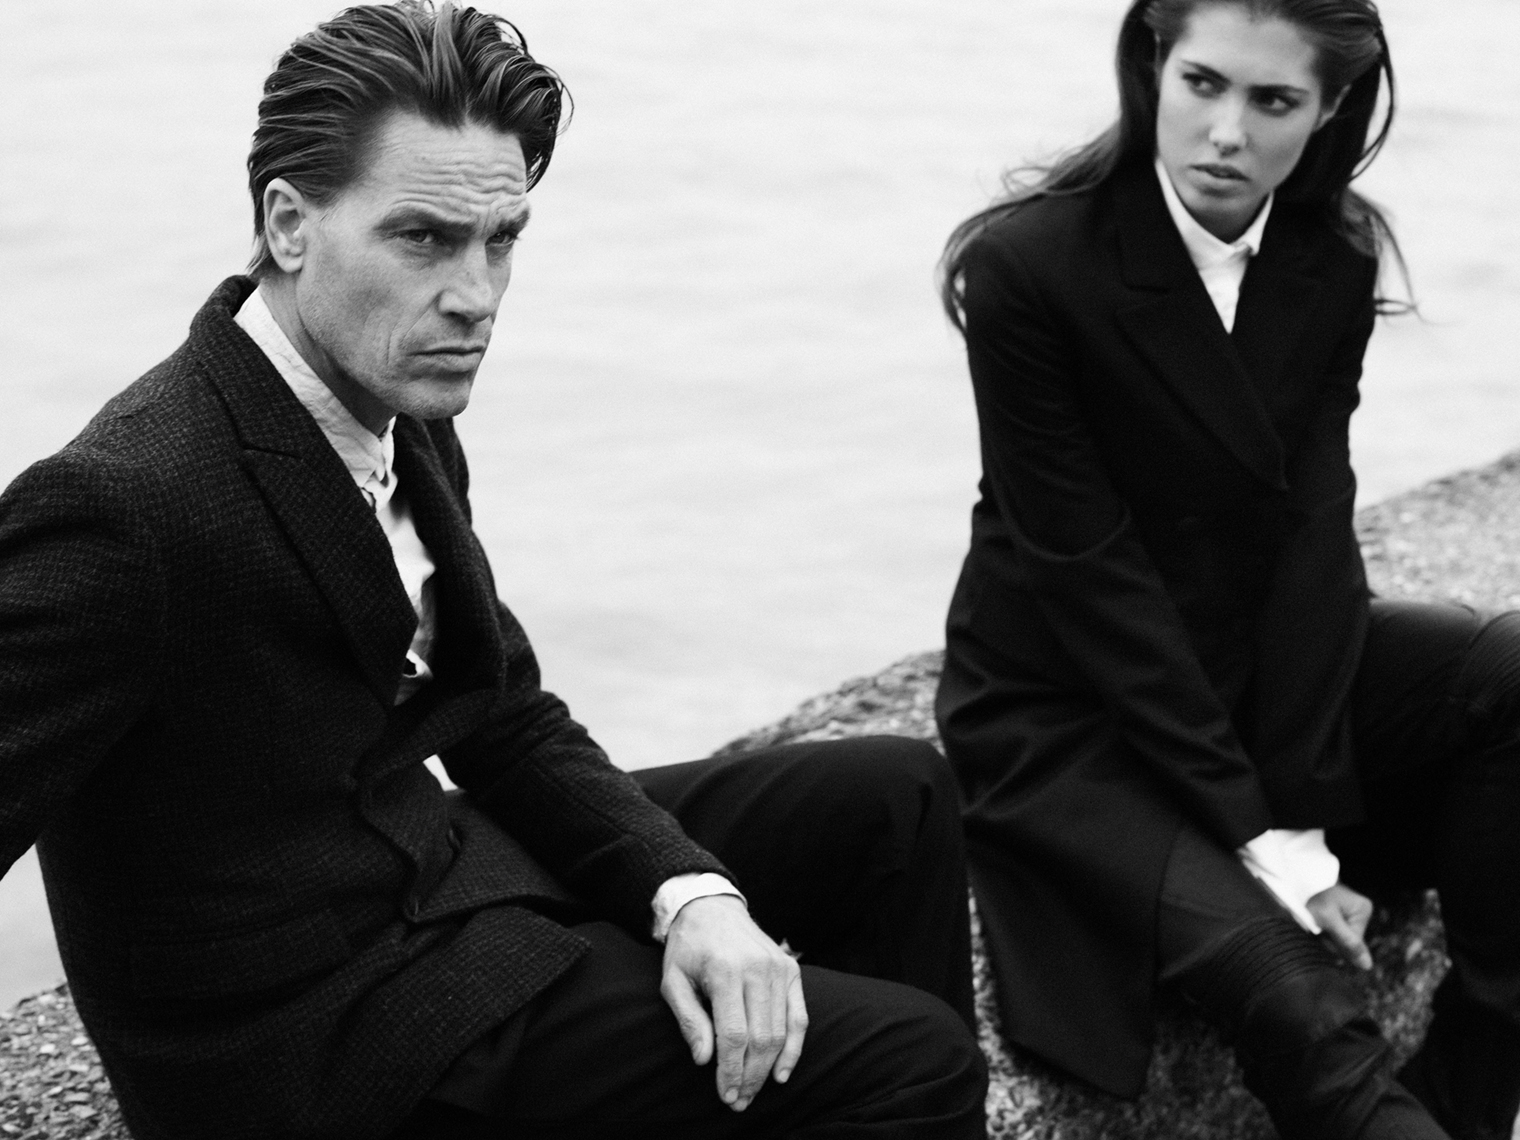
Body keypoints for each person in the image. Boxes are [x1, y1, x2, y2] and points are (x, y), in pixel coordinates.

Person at [0, 4, 987, 1138]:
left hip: (438, 879)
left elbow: (499, 714)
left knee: (897, 802)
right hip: (317, 1041)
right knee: (913, 1063)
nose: (475, 295)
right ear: (288, 224)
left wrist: (689, 895)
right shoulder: (124, 504)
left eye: (501, 239)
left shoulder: (397, 404)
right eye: (423, 239)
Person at [935, 1, 1520, 1137]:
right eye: (1202, 82)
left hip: (1251, 677)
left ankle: (1473, 1091)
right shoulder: (1027, 266)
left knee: (1504, 675)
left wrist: (1301, 791)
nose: (1225, 132)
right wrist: (1269, 837)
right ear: (1153, 62)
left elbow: (1312, 532)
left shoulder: (1331, 253)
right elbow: (1088, 574)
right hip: (1069, 714)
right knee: (1298, 1000)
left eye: (1273, 100)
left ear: (1330, 108)